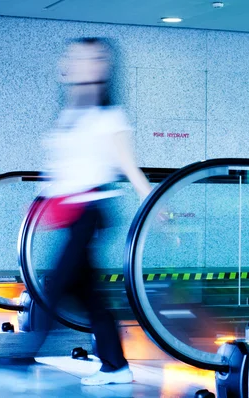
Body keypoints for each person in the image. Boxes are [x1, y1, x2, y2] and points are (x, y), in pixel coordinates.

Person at [37, 36, 154, 386]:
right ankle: (116, 365)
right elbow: (59, 168)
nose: (83, 65)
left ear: (104, 69)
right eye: (76, 58)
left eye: (93, 59)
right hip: (69, 213)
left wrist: (150, 198)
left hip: (90, 212)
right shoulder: (71, 113)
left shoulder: (108, 115)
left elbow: (128, 163)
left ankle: (16, 358)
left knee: (55, 286)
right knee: (87, 293)